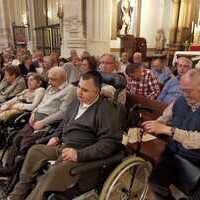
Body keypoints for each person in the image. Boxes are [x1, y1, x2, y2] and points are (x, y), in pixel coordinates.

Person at [8, 71, 125, 200]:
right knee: (35, 151)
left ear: (97, 91)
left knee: (53, 173)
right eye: (79, 87)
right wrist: (57, 136)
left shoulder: (107, 110)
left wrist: (78, 154)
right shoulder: (76, 102)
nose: (79, 92)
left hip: (84, 156)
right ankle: (16, 195)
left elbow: (109, 143)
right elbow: (64, 122)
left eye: (85, 90)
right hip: (63, 148)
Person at [0, 67, 76, 176]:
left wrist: (43, 122)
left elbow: (62, 113)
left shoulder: (70, 90)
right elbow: (40, 104)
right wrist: (34, 113)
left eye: (53, 79)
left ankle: (16, 172)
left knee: (25, 143)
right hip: (35, 118)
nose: (49, 82)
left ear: (63, 79)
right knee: (16, 138)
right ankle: (7, 167)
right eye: (49, 79)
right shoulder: (50, 88)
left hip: (49, 122)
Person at [142, 68, 200, 200]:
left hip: (196, 159)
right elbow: (164, 118)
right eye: (182, 89)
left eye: (188, 90)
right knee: (155, 184)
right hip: (173, 153)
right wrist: (154, 124)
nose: (184, 94)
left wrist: (169, 130)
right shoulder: (179, 101)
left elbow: (197, 140)